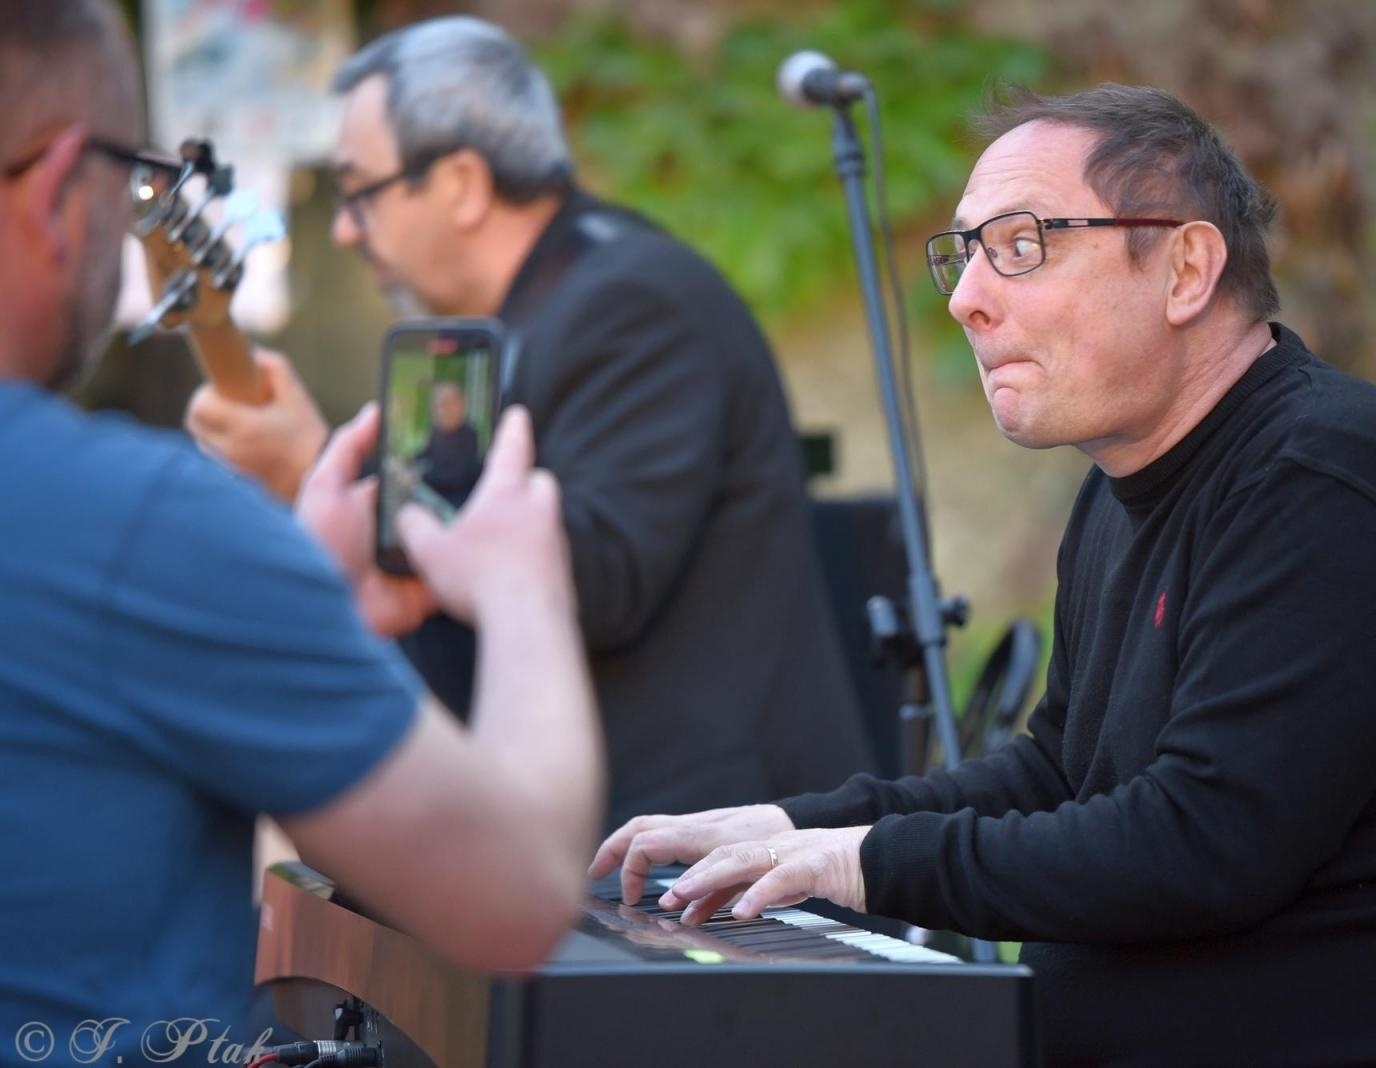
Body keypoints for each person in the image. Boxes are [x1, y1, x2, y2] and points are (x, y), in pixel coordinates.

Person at [591, 84, 1376, 1066]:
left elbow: (1204, 845)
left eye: (1020, 245)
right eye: (963, 255)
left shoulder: (1322, 475)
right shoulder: (1121, 490)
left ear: (1185, 269)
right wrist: (795, 828)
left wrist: (858, 864)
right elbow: (1062, 776)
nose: (966, 299)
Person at [0, 1, 603, 1056]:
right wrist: (521, 585)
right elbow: (515, 901)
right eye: (131, 180)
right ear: (58, 188)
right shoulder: (144, 527)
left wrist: (294, 587)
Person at [186, 16, 873, 828]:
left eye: (359, 192)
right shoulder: (530, 316)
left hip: (712, 847)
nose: (342, 228)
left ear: (462, 183)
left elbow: (596, 582)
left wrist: (320, 472)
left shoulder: (635, 302)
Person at [411, 379, 481, 508]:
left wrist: (420, 476)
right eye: (438, 405)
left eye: (447, 404)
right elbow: (426, 453)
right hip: (434, 497)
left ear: (461, 406)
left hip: (457, 502)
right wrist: (408, 464)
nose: (443, 410)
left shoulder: (469, 435)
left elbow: (455, 476)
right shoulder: (436, 431)